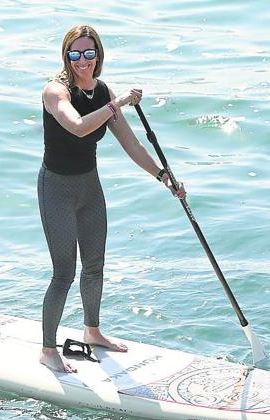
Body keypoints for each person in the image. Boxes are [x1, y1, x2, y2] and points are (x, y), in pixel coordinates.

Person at [38, 24, 186, 373]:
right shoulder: (54, 91)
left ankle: (92, 331)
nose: (82, 61)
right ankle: (47, 349)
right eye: (75, 54)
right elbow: (76, 126)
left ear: (98, 55)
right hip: (56, 190)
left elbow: (131, 144)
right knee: (64, 274)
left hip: (89, 188)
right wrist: (116, 104)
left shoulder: (102, 91)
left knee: (95, 265)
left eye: (89, 53)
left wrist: (164, 177)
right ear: (66, 55)